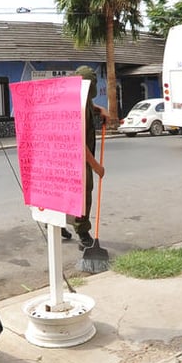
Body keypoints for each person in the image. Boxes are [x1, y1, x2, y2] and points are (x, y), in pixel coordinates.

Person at [73, 65, 107, 249]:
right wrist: (96, 166)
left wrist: (100, 110)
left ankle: (57, 225)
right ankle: (82, 232)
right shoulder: (76, 103)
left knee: (70, 193)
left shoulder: (82, 96)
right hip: (76, 156)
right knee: (83, 191)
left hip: (77, 154)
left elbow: (90, 105)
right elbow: (78, 140)